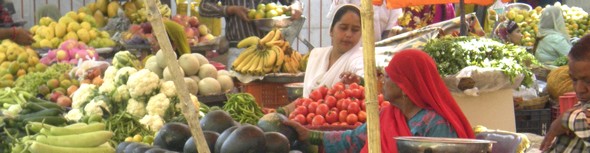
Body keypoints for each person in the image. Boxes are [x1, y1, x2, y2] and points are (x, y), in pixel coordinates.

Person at [283, 49, 475, 153]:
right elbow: (355, 139)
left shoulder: (436, 126)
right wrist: (310, 136)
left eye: (389, 77)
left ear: (405, 88)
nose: (383, 81)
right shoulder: (388, 114)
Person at [278, 4, 363, 115]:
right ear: (331, 30)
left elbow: (363, 76)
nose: (348, 34)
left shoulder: (360, 59)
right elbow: (307, 101)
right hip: (305, 119)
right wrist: (281, 112)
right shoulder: (317, 55)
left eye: (355, 30)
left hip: (336, 129)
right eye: (343, 28)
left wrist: (359, 82)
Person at [199, 0, 303, 68]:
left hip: (270, 49)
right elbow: (203, 7)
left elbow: (293, 1)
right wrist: (230, 9)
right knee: (240, 95)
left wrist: (296, 5)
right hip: (239, 51)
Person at [539, 34, 590, 152]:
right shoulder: (582, 106)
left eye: (588, 81)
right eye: (574, 80)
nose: (579, 89)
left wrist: (565, 120)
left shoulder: (575, 117)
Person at [327, 0, 403, 41]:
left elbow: (390, 31)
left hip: (378, 54)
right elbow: (339, 24)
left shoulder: (393, 2)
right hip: (347, 51)